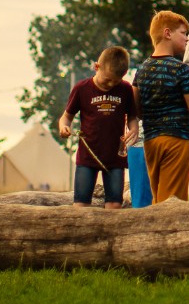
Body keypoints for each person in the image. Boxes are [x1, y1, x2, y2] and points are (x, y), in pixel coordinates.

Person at [134, 11, 189, 203]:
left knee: (158, 196)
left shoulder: (141, 70)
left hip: (150, 141)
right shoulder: (180, 69)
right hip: (176, 140)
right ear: (167, 33)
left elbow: (136, 107)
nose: (187, 37)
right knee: (172, 202)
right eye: (183, 33)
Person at [59, 47, 141, 209]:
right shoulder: (82, 89)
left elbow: (132, 117)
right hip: (88, 156)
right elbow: (66, 117)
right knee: (81, 204)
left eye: (116, 81)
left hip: (115, 157)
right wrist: (64, 127)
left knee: (114, 205)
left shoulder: (125, 89)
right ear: (97, 67)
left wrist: (134, 128)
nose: (111, 84)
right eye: (107, 79)